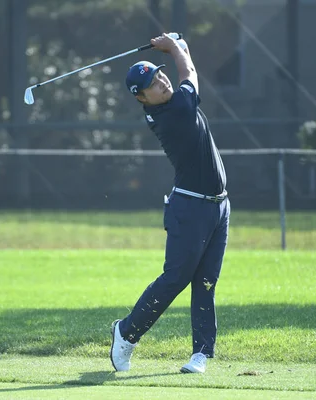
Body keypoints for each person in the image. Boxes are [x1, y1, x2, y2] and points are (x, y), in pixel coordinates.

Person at [110, 33, 230, 374]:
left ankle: (201, 354)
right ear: (142, 97)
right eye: (152, 82)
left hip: (219, 206)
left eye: (161, 74)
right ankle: (126, 333)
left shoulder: (172, 103)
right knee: (176, 278)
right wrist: (176, 47)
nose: (162, 80)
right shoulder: (173, 111)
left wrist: (178, 42)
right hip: (190, 209)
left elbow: (183, 63)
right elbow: (189, 70)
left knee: (206, 281)